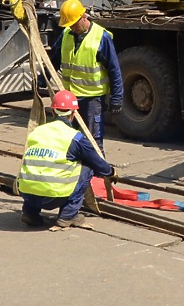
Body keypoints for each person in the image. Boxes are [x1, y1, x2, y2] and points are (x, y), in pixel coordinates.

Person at [17, 90, 117, 228]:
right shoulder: (74, 137)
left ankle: (30, 213)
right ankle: (68, 215)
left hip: (26, 194)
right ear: (73, 114)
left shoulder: (37, 131)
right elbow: (96, 162)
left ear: (53, 112)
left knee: (38, 169)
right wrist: (110, 172)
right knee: (87, 167)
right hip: (52, 197)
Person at [50, 0, 123, 154]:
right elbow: (54, 59)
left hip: (92, 100)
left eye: (74, 24)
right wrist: (42, 78)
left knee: (93, 141)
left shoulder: (101, 37)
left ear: (84, 17)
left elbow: (114, 69)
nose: (72, 28)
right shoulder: (66, 34)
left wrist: (117, 98)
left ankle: (98, 168)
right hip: (70, 97)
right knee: (68, 139)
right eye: (70, 25)